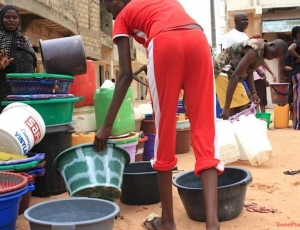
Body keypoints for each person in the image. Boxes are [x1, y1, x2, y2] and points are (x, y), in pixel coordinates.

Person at [94, 0, 224, 229]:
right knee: (204, 129)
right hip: (198, 40)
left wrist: (106, 127)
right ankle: (212, 223)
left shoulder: (123, 17)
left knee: (164, 131)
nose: (111, 15)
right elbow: (175, 30)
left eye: (108, 8)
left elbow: (124, 75)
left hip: (165, 43)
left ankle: (167, 220)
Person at [214, 38, 288, 119]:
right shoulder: (254, 50)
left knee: (242, 107)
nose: (271, 57)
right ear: (271, 44)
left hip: (230, 73)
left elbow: (249, 71)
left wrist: (253, 93)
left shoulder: (262, 53)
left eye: (274, 57)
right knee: (240, 106)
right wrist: (226, 107)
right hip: (223, 71)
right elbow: (235, 76)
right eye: (272, 54)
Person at [0, 5, 37, 112]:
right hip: (4, 95)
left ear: (18, 21)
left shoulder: (25, 40)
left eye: (14, 17)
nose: (11, 20)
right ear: (1, 19)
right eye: (7, 17)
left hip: (25, 93)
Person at [288, 26, 300, 130]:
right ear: (297, 34)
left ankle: (297, 123)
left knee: (297, 99)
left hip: (296, 74)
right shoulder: (298, 42)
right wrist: (299, 57)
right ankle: (297, 124)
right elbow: (290, 48)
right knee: (298, 100)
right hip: (298, 73)